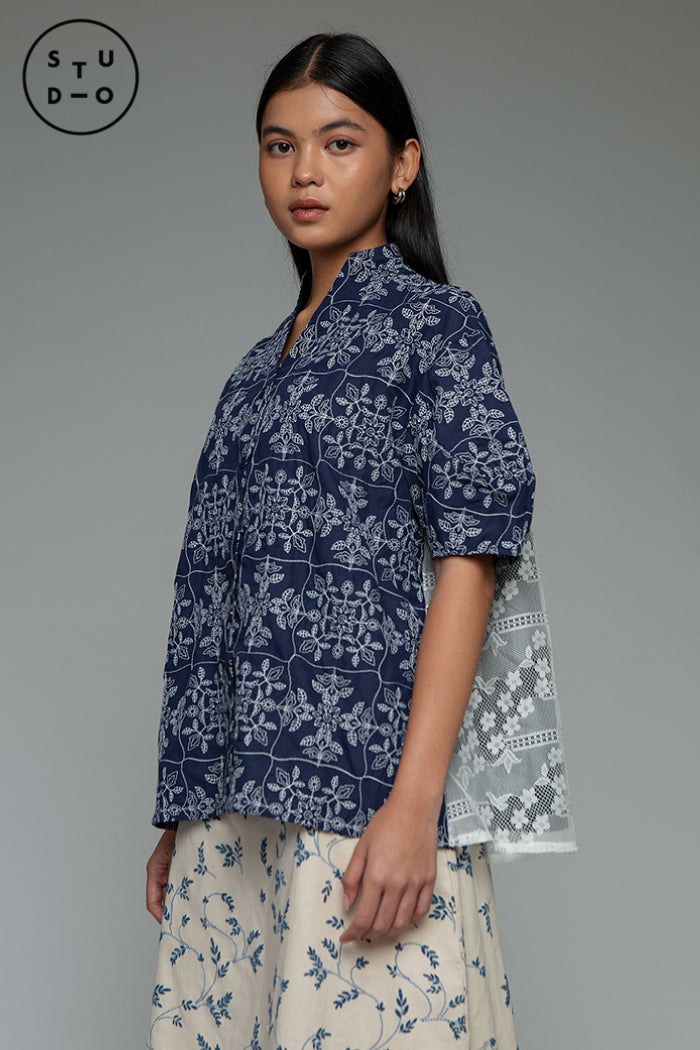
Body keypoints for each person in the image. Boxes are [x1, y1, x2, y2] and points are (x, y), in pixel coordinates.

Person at [145, 31, 576, 1050]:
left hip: (364, 796)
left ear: (402, 164)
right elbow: (220, 596)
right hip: (229, 813)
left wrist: (415, 806)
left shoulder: (436, 325)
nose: (304, 171)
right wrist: (184, 812)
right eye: (279, 145)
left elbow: (473, 557)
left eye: (339, 143)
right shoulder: (253, 370)